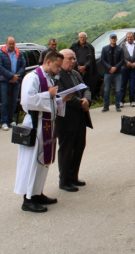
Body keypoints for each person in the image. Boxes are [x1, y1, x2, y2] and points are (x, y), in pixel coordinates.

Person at [14, 51, 72, 213]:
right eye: (57, 66)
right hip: (35, 124)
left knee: (42, 161)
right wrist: (49, 94)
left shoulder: (47, 77)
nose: (59, 69)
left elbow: (49, 100)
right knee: (32, 162)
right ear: (48, 62)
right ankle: (27, 199)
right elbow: (27, 101)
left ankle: (37, 192)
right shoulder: (32, 77)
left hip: (45, 124)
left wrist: (60, 100)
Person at [56, 49, 93, 192]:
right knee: (66, 150)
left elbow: (86, 88)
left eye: (74, 59)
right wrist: (80, 103)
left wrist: (87, 100)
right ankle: (64, 180)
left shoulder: (76, 74)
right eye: (69, 59)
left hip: (80, 117)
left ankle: (73, 176)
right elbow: (62, 94)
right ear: (61, 60)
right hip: (66, 118)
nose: (73, 62)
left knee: (79, 147)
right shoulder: (58, 75)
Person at [0, 36, 26, 130]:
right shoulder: (1, 53)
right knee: (5, 101)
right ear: (6, 43)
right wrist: (11, 76)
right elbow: (0, 67)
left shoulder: (18, 52)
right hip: (5, 80)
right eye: (10, 44)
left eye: (13, 43)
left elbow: (23, 65)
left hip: (16, 80)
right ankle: (4, 122)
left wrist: (17, 75)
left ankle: (11, 120)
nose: (12, 45)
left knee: (13, 101)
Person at [70, 32, 97, 97]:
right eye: (81, 37)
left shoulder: (90, 47)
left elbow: (91, 59)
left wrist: (85, 67)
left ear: (86, 38)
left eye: (84, 37)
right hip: (76, 70)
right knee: (77, 86)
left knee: (86, 86)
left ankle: (86, 99)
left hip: (87, 71)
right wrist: (78, 66)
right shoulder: (74, 46)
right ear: (78, 38)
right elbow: (71, 57)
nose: (82, 39)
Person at [102, 33, 124, 112]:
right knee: (106, 90)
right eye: (112, 38)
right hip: (107, 72)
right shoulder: (104, 49)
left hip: (117, 72)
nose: (113, 39)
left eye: (114, 38)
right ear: (109, 39)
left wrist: (115, 67)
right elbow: (103, 60)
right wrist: (109, 67)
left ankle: (117, 106)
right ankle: (106, 106)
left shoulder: (120, 49)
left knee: (118, 90)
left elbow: (122, 60)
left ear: (116, 39)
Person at [120, 31, 135, 107]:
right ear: (126, 38)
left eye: (131, 37)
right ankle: (121, 101)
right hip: (124, 68)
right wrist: (126, 62)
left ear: (133, 37)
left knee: (132, 85)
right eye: (128, 37)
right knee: (123, 85)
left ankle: (132, 101)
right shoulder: (122, 45)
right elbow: (120, 56)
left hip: (134, 68)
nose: (129, 38)